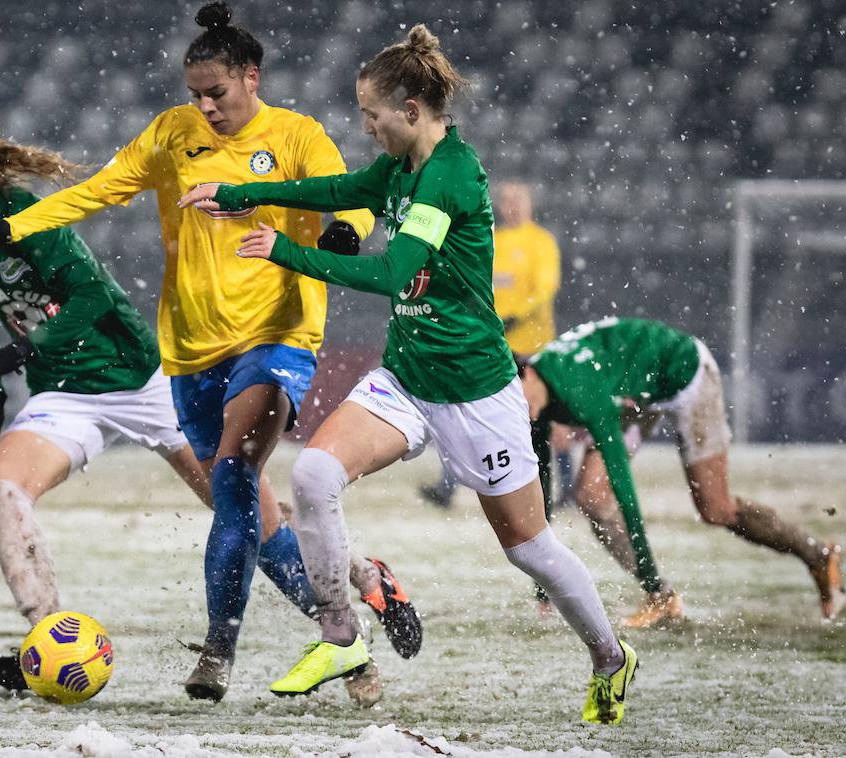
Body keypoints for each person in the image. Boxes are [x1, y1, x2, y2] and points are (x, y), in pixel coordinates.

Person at [178, 24, 637, 724]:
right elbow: (335, 185)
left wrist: (283, 252)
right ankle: (339, 633)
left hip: (474, 391)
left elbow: (395, 274)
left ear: (413, 111)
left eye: (372, 114)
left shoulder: (449, 175)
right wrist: (243, 192)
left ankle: (610, 657)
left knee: (531, 550)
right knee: (312, 476)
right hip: (406, 379)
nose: (366, 127)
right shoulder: (395, 170)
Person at [0, 109, 415, 699]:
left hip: (144, 376)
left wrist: (13, 356)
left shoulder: (24, 217)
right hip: (64, 393)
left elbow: (90, 296)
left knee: (246, 515)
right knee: (2, 492)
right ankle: (45, 645)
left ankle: (354, 600)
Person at [521, 316, 843, 626]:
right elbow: (541, 483)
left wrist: (644, 579)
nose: (510, 406)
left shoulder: (578, 389)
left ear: (528, 375)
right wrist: (544, 583)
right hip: (634, 390)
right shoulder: (538, 396)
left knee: (716, 509)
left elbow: (624, 488)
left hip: (684, 375)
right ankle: (662, 597)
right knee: (591, 495)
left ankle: (817, 554)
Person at [421, 180, 563, 509]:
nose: (510, 205)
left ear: (530, 203)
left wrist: (514, 315)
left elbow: (545, 288)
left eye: (517, 198)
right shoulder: (491, 239)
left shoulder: (540, 242)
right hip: (493, 343)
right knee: (467, 409)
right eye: (506, 199)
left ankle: (562, 489)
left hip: (532, 343)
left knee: (544, 414)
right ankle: (448, 485)